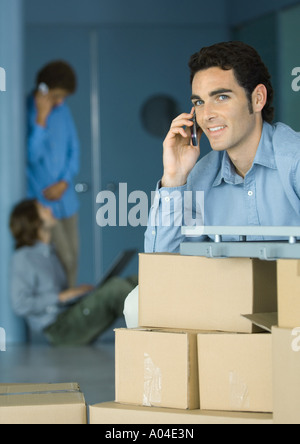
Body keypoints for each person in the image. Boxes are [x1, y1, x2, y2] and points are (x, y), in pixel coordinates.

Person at [123, 41, 300, 328]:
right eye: (198, 102)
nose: (206, 115)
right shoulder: (200, 176)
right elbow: (161, 270)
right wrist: (174, 178)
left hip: (295, 297)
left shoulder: (294, 160)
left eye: (221, 97)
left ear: (257, 99)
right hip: (233, 298)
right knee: (138, 302)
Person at [10, 200, 137, 346]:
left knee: (134, 281)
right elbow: (19, 304)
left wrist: (76, 294)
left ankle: (164, 319)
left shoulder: (50, 251)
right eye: (43, 209)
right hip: (60, 329)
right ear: (34, 221)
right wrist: (60, 297)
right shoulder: (23, 257)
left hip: (69, 313)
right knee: (115, 289)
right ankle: (157, 331)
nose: (49, 209)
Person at [27, 60, 80, 287]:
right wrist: (41, 117)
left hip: (66, 198)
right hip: (43, 201)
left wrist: (65, 182)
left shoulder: (64, 111)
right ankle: (63, 308)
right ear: (44, 89)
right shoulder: (26, 111)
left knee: (74, 257)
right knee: (62, 259)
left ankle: (70, 306)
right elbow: (31, 156)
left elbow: (73, 149)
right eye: (57, 95)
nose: (60, 101)